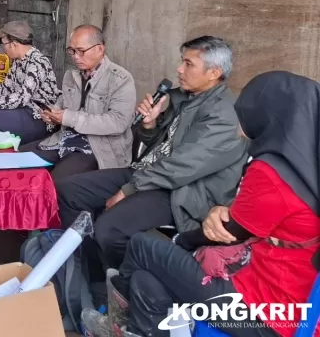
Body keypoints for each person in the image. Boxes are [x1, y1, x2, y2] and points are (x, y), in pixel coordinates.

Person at [91, 71, 320, 337]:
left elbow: (228, 232)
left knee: (143, 246)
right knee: (145, 281)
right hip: (287, 305)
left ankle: (112, 324)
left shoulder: (273, 173)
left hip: (259, 313)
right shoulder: (307, 169)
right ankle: (128, 327)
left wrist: (180, 241)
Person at [58, 36, 248, 270]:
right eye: (182, 61)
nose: (179, 69)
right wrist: (150, 125)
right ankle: (86, 268)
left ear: (214, 72)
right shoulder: (184, 98)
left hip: (183, 192)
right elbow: (161, 148)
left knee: (110, 229)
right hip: (149, 174)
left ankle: (121, 282)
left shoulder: (224, 116)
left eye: (188, 64)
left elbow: (182, 166)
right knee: (70, 191)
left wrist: (128, 190)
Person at [21, 25, 136, 183]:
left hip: (98, 148)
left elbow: (118, 123)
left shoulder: (120, 79)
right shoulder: (71, 75)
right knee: (20, 159)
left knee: (55, 183)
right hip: (66, 138)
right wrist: (53, 114)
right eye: (72, 51)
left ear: (100, 49)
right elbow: (63, 102)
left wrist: (69, 118)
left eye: (81, 51)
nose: (75, 56)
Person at [0, 20, 61, 145]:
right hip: (20, 111)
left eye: (3, 44)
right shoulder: (17, 61)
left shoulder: (37, 62)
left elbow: (22, 98)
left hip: (37, 117)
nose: (2, 48)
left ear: (13, 44)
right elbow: (4, 89)